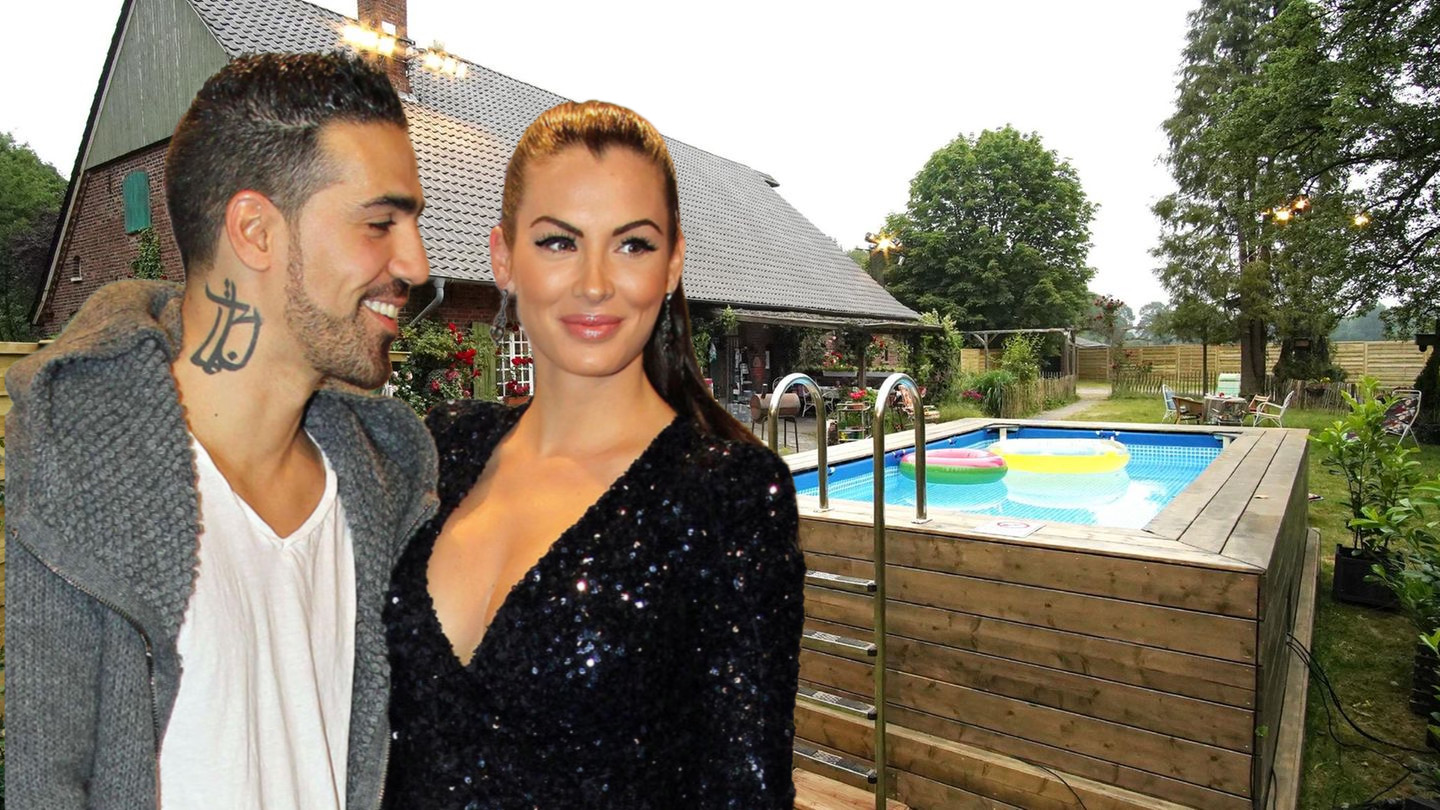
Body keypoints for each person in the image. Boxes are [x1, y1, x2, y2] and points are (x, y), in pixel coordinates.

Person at [4, 52, 437, 810]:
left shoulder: (381, 483)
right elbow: (44, 784)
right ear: (255, 230)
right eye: (380, 224)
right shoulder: (86, 474)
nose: (417, 264)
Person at [382, 101, 805, 808]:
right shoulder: (443, 446)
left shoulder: (726, 495)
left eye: (632, 245)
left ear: (672, 264)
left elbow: (747, 788)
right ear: (502, 258)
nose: (595, 283)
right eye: (559, 242)